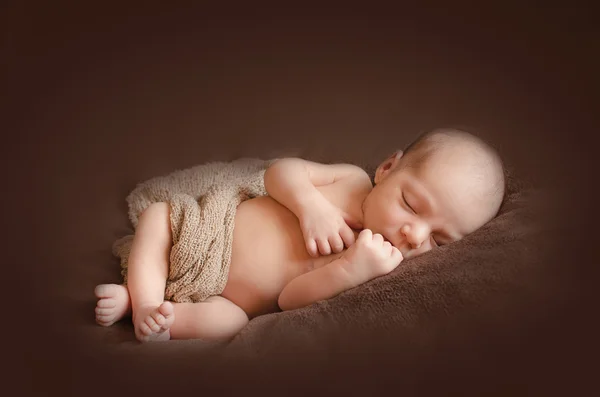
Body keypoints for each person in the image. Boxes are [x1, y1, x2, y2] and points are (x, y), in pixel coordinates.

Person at [94, 128, 505, 342]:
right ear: (387, 169)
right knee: (158, 217)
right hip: (208, 232)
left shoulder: (377, 268)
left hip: (227, 299)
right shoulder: (350, 181)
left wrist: (350, 269)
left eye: (440, 241)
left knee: (229, 325)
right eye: (412, 205)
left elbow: (289, 299)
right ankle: (145, 299)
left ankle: (152, 317)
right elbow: (279, 173)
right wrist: (312, 207)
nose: (415, 235)